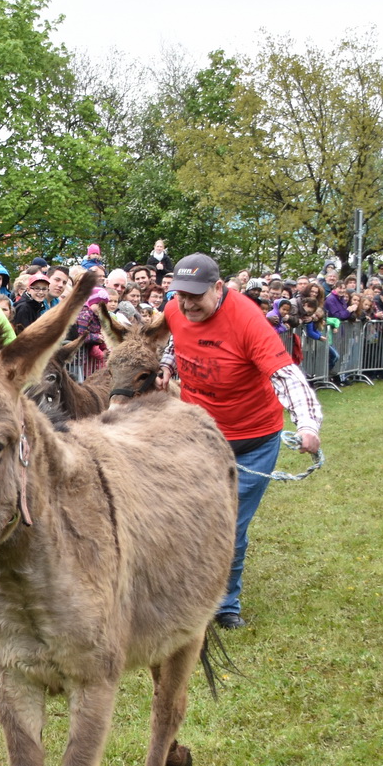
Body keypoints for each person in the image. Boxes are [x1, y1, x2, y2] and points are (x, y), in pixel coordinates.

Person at [161, 254, 322, 631]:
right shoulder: (175, 309)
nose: (186, 304)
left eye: (195, 296)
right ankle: (181, 590)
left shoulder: (248, 321)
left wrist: (309, 425)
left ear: (219, 288)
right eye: (180, 294)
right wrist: (167, 366)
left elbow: (287, 376)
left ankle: (225, 602)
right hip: (199, 436)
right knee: (185, 516)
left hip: (252, 440)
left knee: (229, 525)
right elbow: (174, 340)